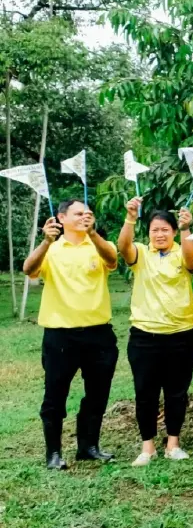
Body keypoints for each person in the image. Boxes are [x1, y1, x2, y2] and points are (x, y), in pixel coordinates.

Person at [24, 200, 119, 470]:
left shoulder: (99, 244)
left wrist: (93, 234)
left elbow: (112, 260)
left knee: (97, 394)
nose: (84, 217)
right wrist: (45, 242)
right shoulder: (51, 249)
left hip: (98, 334)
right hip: (60, 336)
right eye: (77, 213)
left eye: (87, 213)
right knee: (55, 395)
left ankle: (88, 447)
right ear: (61, 218)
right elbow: (29, 269)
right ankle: (53, 453)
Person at [117, 200, 193, 466]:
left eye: (165, 229)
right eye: (155, 230)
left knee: (177, 392)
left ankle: (173, 443)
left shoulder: (182, 251)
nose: (160, 234)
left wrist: (187, 229)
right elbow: (123, 247)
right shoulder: (141, 253)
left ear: (174, 231)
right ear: (149, 233)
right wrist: (130, 217)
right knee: (145, 393)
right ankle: (148, 447)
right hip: (145, 335)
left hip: (182, 335)